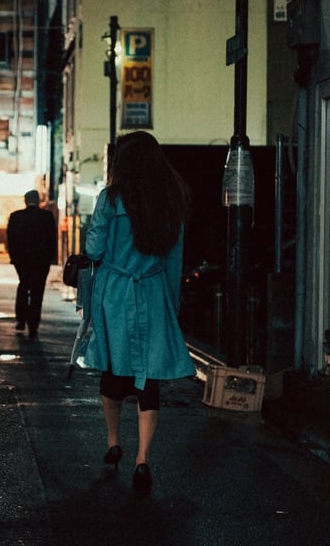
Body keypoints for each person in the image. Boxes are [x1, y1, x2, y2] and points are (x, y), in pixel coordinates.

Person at [80, 131, 194, 496]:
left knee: (113, 370)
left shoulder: (110, 199)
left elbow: (94, 250)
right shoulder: (171, 200)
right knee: (149, 377)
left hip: (114, 293)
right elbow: (174, 261)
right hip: (153, 290)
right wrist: (170, 303)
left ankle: (114, 440)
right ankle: (143, 458)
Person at [6, 189, 57, 340]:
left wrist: (14, 257)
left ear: (25, 200)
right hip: (41, 261)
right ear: (39, 200)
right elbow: (52, 240)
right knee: (37, 291)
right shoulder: (47, 217)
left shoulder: (16, 217)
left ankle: (21, 319)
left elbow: (11, 239)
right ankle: (33, 326)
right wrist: (50, 258)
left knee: (23, 285)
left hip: (22, 260)